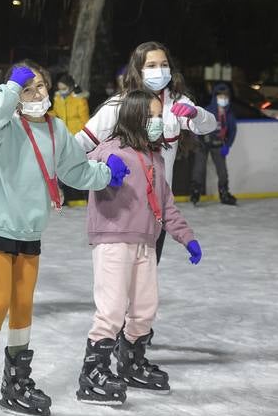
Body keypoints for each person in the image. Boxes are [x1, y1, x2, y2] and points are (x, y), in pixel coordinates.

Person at [0, 60, 129, 416]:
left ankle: (17, 381)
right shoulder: (6, 126)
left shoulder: (56, 130)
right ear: (17, 97)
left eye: (40, 87)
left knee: (22, 306)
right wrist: (8, 88)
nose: (36, 94)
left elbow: (76, 171)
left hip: (29, 231)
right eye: (27, 89)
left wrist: (107, 173)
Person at [77, 89, 202, 404]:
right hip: (113, 241)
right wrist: (106, 164)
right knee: (112, 309)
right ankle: (93, 372)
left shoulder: (156, 157)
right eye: (151, 115)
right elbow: (88, 162)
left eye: (160, 116)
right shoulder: (110, 150)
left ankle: (131, 362)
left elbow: (166, 204)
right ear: (133, 117)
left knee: (146, 307)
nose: (157, 122)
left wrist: (186, 236)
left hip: (146, 241)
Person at [76, 40, 216, 262]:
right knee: (118, 279)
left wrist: (196, 113)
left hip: (157, 208)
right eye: (151, 65)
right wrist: (96, 169)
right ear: (138, 69)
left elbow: (209, 126)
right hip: (120, 209)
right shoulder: (118, 105)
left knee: (147, 276)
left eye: (163, 64)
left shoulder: (176, 104)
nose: (159, 70)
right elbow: (80, 145)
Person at [189, 82, 238, 206]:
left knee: (222, 171)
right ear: (215, 97)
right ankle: (195, 192)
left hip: (218, 144)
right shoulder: (208, 110)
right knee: (199, 168)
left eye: (225, 97)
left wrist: (228, 145)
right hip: (202, 143)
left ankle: (224, 193)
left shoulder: (229, 114)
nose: (223, 99)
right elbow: (196, 124)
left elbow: (232, 131)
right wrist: (197, 139)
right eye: (220, 96)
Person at [50, 73, 90, 205]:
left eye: (64, 88)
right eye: (60, 88)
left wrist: (82, 137)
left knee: (76, 167)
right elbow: (56, 113)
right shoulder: (58, 99)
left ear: (71, 87)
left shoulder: (79, 100)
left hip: (77, 138)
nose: (62, 91)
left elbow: (85, 120)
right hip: (63, 138)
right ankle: (67, 197)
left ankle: (79, 199)